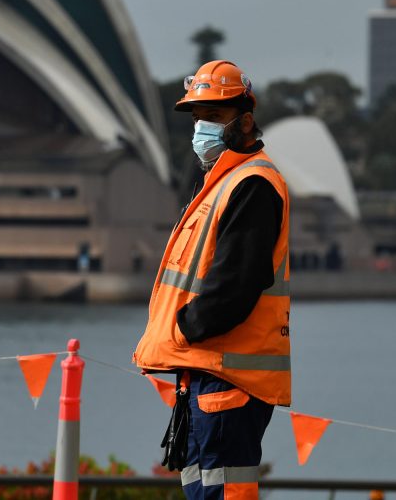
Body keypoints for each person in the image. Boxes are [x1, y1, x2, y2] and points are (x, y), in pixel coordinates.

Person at [133, 60, 291, 500]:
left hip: (227, 375)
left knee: (223, 493)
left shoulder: (252, 184)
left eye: (215, 116)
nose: (202, 127)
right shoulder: (220, 184)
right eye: (198, 116)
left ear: (245, 120)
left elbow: (236, 285)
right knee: (202, 490)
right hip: (204, 371)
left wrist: (185, 327)